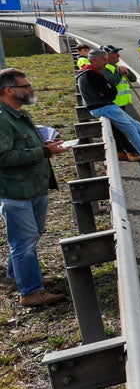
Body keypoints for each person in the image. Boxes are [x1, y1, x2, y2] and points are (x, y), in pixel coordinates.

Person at [0, 68, 71, 307]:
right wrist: (42, 151)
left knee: (31, 236)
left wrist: (46, 145)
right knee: (23, 242)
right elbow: (3, 157)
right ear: (9, 91)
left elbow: (26, 147)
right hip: (16, 192)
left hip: (33, 186)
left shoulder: (20, 114)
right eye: (26, 86)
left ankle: (17, 276)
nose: (31, 89)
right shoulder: (2, 118)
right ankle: (30, 292)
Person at [76, 51, 140, 164]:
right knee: (131, 129)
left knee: (137, 125)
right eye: (103, 60)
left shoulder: (88, 73)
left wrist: (109, 89)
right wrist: (109, 89)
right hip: (104, 107)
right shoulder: (91, 74)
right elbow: (111, 93)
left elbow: (109, 90)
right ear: (94, 60)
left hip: (104, 106)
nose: (106, 62)